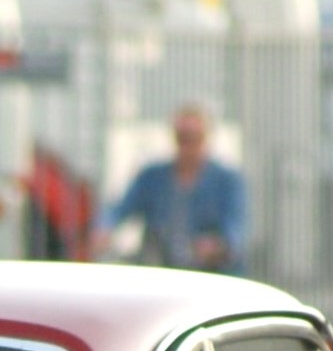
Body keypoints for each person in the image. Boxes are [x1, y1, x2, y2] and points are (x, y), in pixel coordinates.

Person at [97, 101, 249, 273]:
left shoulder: (227, 181)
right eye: (182, 138)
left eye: (193, 138)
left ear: (206, 138)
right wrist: (104, 229)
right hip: (163, 273)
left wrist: (216, 246)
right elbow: (119, 209)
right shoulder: (152, 177)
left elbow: (235, 229)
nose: (187, 146)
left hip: (210, 278)